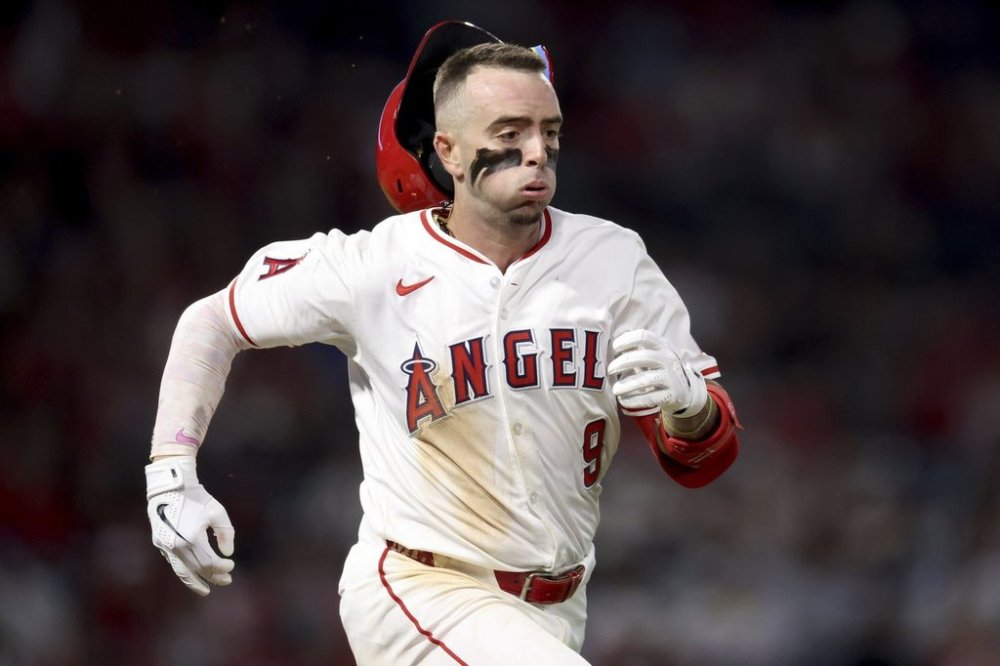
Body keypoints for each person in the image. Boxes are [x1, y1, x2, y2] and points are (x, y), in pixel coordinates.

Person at [144, 21, 741, 665]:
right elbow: (212, 321)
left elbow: (703, 460)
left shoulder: (613, 259)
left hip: (557, 607)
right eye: (510, 134)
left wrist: (692, 408)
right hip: (419, 588)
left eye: (550, 132)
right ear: (449, 152)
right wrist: (171, 476)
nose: (537, 151)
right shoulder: (371, 265)